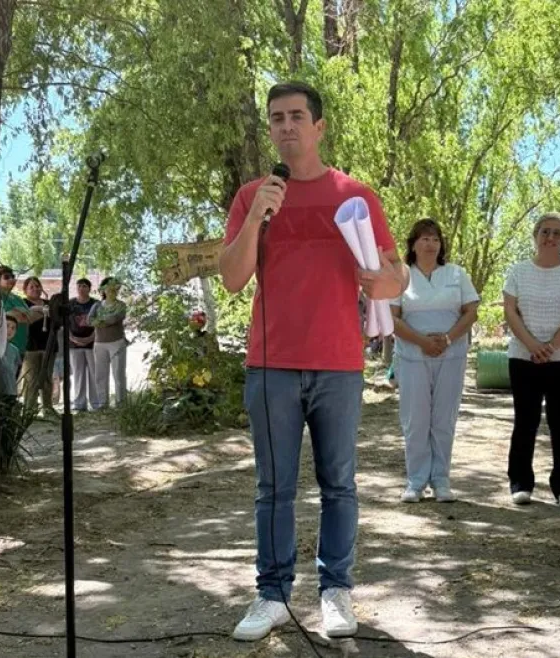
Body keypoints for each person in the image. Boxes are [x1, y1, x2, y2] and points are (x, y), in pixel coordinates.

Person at [219, 81, 406, 642]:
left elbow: (396, 273)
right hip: (271, 364)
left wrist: (382, 279)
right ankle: (272, 595)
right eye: (277, 118)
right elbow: (231, 279)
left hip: (337, 363)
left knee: (338, 484)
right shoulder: (254, 195)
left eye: (297, 116)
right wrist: (256, 219)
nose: (287, 127)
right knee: (272, 486)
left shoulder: (355, 195)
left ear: (319, 127)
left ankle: (335, 593)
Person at [502, 213, 560, 507]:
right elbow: (511, 312)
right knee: (525, 420)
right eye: (544, 232)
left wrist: (551, 346)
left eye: (557, 233)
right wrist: (532, 345)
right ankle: (520, 482)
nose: (550, 237)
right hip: (523, 357)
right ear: (535, 235)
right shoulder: (517, 272)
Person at [391, 218, 480, 504]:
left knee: (443, 419)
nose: (430, 244)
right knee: (416, 420)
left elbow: (470, 312)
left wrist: (448, 339)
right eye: (424, 238)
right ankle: (415, 481)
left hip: (451, 356)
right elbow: (392, 317)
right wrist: (422, 341)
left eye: (435, 239)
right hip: (412, 357)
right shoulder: (401, 276)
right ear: (413, 244)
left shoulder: (456, 274)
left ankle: (441, 480)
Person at [19, 277, 57, 416]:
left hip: (49, 346)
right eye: (31, 287)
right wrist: (39, 310)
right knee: (32, 379)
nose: (35, 289)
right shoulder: (23, 304)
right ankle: (30, 410)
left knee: (47, 378)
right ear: (25, 290)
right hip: (31, 347)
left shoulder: (50, 304)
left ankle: (48, 408)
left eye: (37, 286)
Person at [89, 277, 127, 409]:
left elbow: (115, 318)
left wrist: (99, 321)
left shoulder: (121, 305)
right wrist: (99, 321)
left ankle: (121, 403)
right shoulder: (97, 306)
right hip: (99, 343)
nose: (112, 290)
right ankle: (102, 403)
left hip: (117, 342)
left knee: (118, 374)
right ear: (103, 290)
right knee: (100, 374)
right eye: (109, 287)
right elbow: (89, 320)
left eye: (115, 288)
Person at [69, 278, 98, 411]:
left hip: (93, 344)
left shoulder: (96, 304)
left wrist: (91, 337)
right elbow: (65, 324)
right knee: (78, 374)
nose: (82, 288)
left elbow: (99, 324)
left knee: (94, 373)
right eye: (79, 286)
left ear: (89, 288)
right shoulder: (70, 304)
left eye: (85, 286)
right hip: (74, 345)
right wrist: (73, 339)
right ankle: (80, 403)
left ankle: (96, 403)